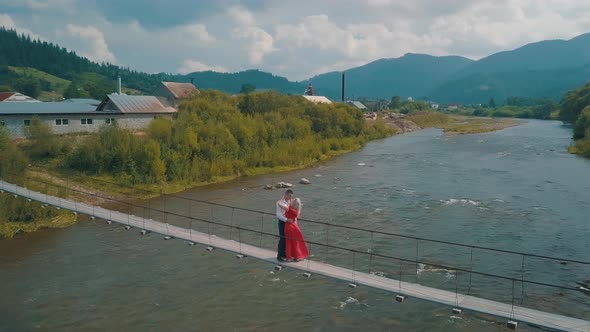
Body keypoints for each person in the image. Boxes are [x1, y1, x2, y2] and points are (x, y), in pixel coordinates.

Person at [276, 189, 293, 261]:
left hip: (288, 222)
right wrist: (286, 220)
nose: (290, 197)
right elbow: (278, 215)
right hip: (282, 222)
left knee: (287, 238)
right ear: (286, 195)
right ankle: (279, 256)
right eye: (289, 196)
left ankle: (285, 254)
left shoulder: (289, 201)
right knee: (282, 238)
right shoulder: (279, 202)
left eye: (291, 196)